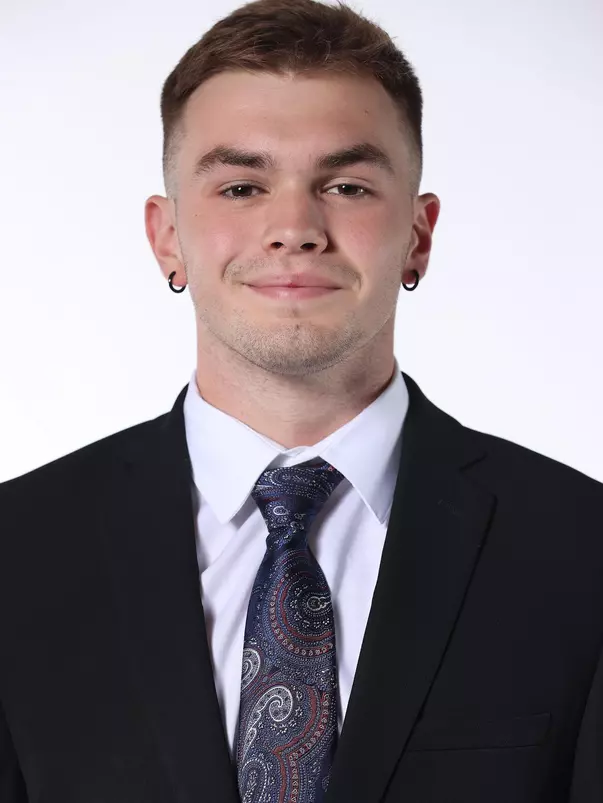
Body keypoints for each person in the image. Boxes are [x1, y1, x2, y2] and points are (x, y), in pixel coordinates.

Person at [1, 0, 602, 800]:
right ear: (166, 235)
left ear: (418, 236)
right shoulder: (18, 555)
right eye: (242, 185)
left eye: (347, 184)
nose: (294, 227)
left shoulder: (581, 550)